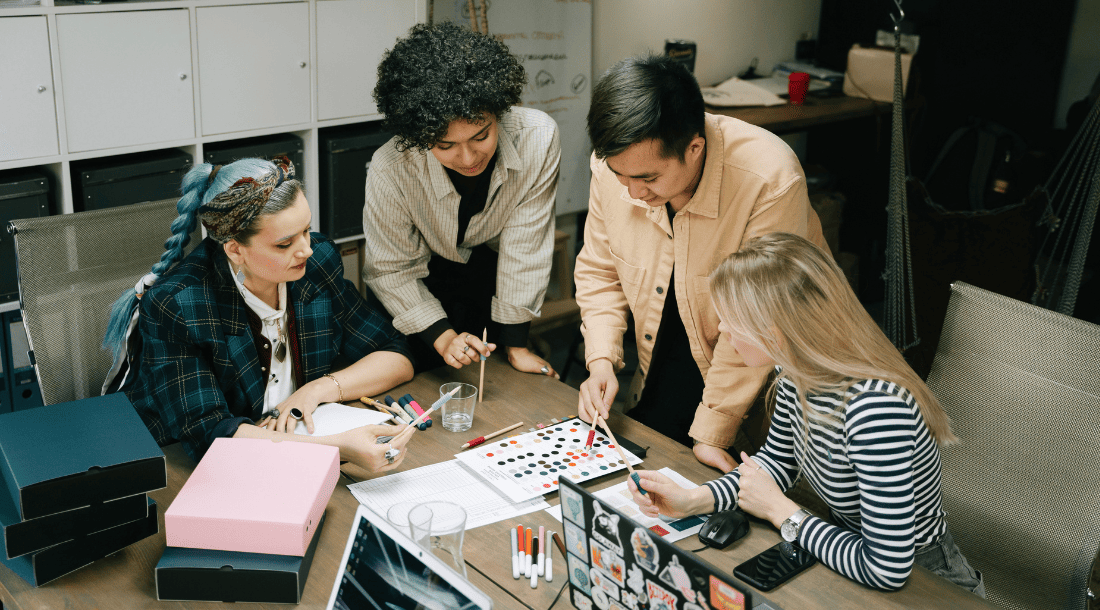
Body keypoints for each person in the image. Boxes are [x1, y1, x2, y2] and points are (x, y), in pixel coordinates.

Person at [628, 233, 985, 596]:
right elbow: (777, 464)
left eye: (730, 319)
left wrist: (782, 512)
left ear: (774, 333)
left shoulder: (876, 410)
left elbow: (887, 568)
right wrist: (694, 499)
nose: (722, 329)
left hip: (927, 585)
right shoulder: (795, 373)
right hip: (843, 550)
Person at [574, 54, 827, 471]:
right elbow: (601, 270)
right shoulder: (615, 165)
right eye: (622, 176)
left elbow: (757, 320)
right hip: (661, 361)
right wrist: (600, 359)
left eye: (649, 179)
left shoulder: (769, 179)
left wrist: (714, 430)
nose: (633, 192)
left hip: (760, 387)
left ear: (694, 148)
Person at [103, 157, 415, 471]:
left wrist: (316, 390)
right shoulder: (179, 304)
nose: (306, 249)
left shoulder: (316, 263)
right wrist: (338, 448)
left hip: (288, 447)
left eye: (307, 230)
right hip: (184, 466)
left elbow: (395, 355)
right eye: (285, 243)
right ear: (235, 250)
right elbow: (211, 437)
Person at [363, 21, 561, 378]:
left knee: (492, 381)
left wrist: (516, 345)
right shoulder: (390, 167)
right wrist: (442, 337)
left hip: (486, 275)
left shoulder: (538, 138)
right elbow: (391, 268)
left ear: (499, 110)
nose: (469, 159)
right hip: (414, 288)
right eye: (445, 146)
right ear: (421, 136)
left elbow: (525, 245)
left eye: (481, 136)